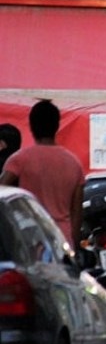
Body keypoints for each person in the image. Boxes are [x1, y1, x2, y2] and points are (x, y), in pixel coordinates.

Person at [0, 101, 84, 246]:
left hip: (30, 239)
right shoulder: (74, 163)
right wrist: (73, 245)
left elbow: (2, 193)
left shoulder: (19, 160)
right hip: (62, 239)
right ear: (57, 126)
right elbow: (77, 213)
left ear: (31, 126)